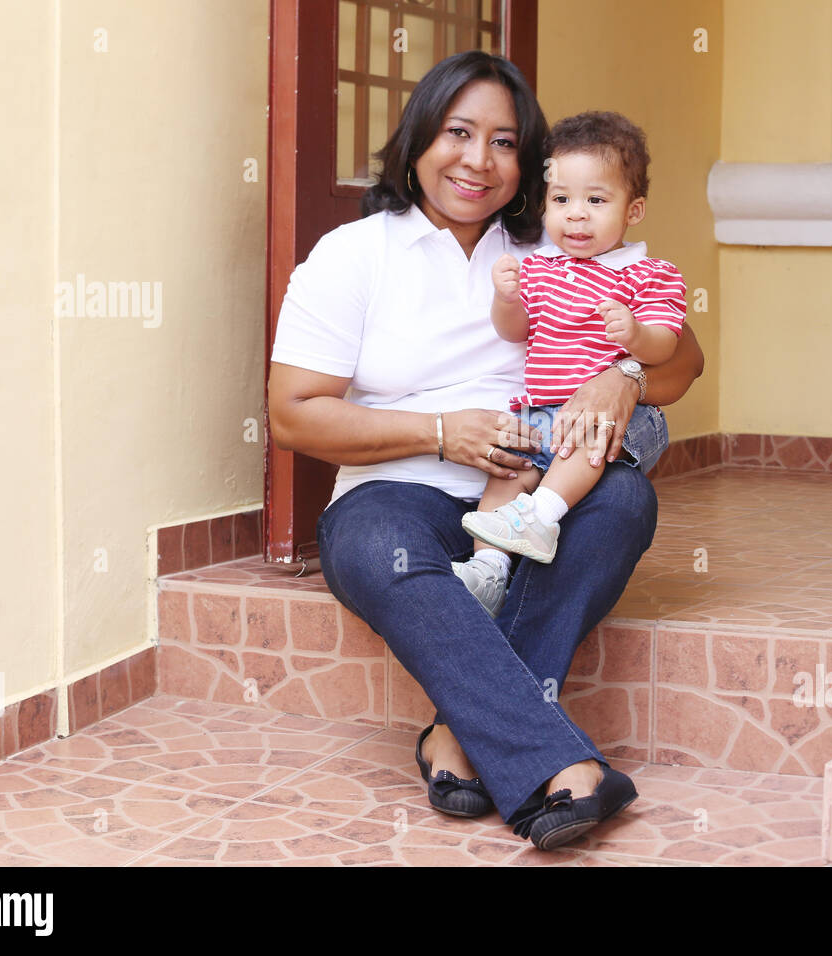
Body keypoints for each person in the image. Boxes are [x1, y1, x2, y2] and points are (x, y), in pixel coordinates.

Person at [267, 51, 704, 851]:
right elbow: (293, 415)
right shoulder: (354, 254)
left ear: (527, 161)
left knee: (623, 502)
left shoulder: (562, 235)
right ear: (418, 138)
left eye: (504, 142)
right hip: (393, 491)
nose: (478, 159)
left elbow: (684, 363)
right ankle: (550, 765)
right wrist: (441, 433)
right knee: (379, 548)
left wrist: (626, 377)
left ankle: (458, 739)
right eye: (458, 133)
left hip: (531, 487)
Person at [453, 111, 686, 617]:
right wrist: (508, 298)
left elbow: (668, 346)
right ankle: (488, 572)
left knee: (586, 436)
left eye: (596, 201)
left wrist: (636, 335)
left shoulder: (650, 276)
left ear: (634, 209)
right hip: (542, 409)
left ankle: (542, 514)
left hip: (621, 418)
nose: (576, 215)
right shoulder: (539, 267)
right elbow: (514, 331)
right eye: (561, 200)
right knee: (505, 471)